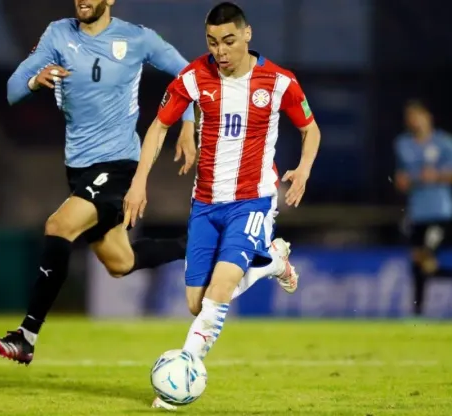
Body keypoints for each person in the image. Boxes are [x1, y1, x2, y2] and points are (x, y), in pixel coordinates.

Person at [121, 2, 320, 409]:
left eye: (228, 41)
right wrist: (139, 181)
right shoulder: (194, 77)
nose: (221, 51)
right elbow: (159, 127)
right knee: (198, 304)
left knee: (222, 288)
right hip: (206, 205)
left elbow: (310, 128)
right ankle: (272, 263)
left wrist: (303, 169)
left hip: (253, 201)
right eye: (212, 43)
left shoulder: (279, 81)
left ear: (247, 34)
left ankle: (182, 373)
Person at [0, 0, 200, 365]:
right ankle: (197, 245)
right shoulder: (57, 34)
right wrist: (36, 80)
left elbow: (189, 75)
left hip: (119, 164)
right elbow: (12, 89)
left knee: (59, 225)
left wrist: (189, 124)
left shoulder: (137, 39)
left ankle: (26, 335)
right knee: (120, 262)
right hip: (79, 168)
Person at [393, 99, 452, 317]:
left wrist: (438, 176)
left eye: (418, 116)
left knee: (424, 259)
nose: (415, 122)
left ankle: (419, 311)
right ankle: (419, 312)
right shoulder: (403, 144)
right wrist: (402, 181)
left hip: (439, 212)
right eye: (411, 118)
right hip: (417, 212)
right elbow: (401, 178)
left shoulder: (445, 143)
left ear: (428, 117)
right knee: (420, 265)